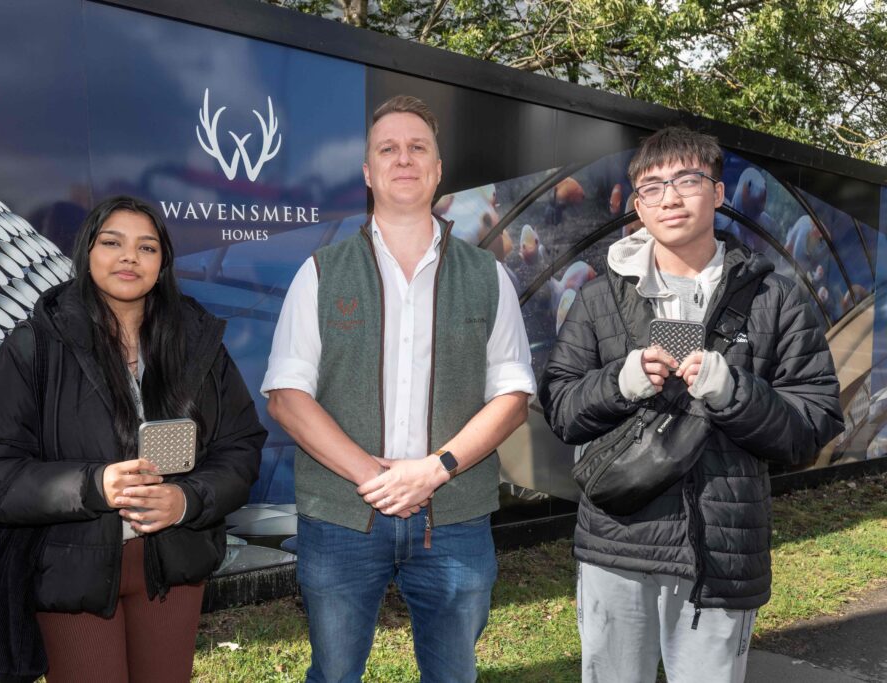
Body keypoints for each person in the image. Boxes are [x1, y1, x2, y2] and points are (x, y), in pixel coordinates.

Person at [541, 127, 843, 683]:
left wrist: (734, 392)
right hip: (617, 544)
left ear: (720, 193)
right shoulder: (600, 296)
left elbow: (812, 423)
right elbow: (561, 406)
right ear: (637, 205)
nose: (671, 197)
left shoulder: (773, 299)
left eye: (688, 180)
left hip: (721, 552)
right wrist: (623, 381)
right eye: (653, 187)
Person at [262, 95, 535, 683]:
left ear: (438, 171)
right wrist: (376, 477)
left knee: (453, 674)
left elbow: (513, 396)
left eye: (418, 148)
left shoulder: (487, 276)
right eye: (388, 148)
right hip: (342, 518)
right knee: (333, 674)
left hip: (454, 517)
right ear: (368, 172)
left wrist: (433, 470)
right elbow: (286, 395)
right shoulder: (320, 272)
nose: (403, 158)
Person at [0, 195, 266, 683]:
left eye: (146, 247)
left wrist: (185, 500)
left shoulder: (195, 342)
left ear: (162, 264)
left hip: (174, 562)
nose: (129, 257)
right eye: (112, 243)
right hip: (71, 568)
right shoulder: (36, 343)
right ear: (87, 252)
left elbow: (241, 446)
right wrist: (94, 485)